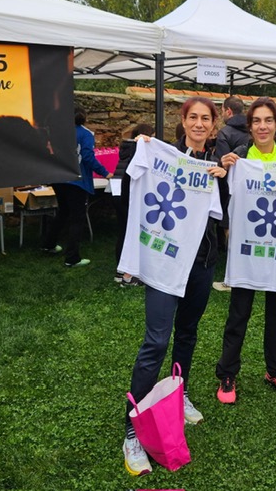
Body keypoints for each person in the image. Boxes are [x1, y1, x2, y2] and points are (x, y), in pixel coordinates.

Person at [121, 97, 227, 477]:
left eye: (206, 119)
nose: (199, 124)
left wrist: (223, 180)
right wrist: (141, 147)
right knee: (156, 340)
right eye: (193, 117)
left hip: (201, 263)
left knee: (188, 332)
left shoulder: (219, 161)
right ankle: (133, 427)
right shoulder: (161, 154)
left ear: (214, 124)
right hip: (166, 264)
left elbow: (225, 214)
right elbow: (129, 177)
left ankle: (179, 393)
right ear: (182, 121)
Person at [215, 97, 276, 404]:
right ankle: (227, 373)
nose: (262, 126)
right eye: (256, 121)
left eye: (268, 120)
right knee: (238, 315)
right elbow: (219, 193)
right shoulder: (239, 157)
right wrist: (222, 171)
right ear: (249, 126)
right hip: (246, 253)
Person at [41, 106, 113, 267]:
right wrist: (105, 172)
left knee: (63, 212)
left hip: (59, 179)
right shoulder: (85, 134)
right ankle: (72, 258)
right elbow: (87, 156)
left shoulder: (58, 133)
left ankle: (48, 244)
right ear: (84, 118)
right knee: (77, 218)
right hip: (77, 181)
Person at [211, 96, 250, 292]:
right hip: (252, 187)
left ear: (227, 111)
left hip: (229, 190)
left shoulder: (225, 132)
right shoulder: (253, 130)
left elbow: (223, 164)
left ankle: (232, 276)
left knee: (230, 230)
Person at [112, 123, 155, 287]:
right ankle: (128, 273)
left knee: (123, 231)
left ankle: (120, 271)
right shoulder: (141, 149)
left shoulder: (126, 148)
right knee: (131, 233)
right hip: (128, 194)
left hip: (116, 191)